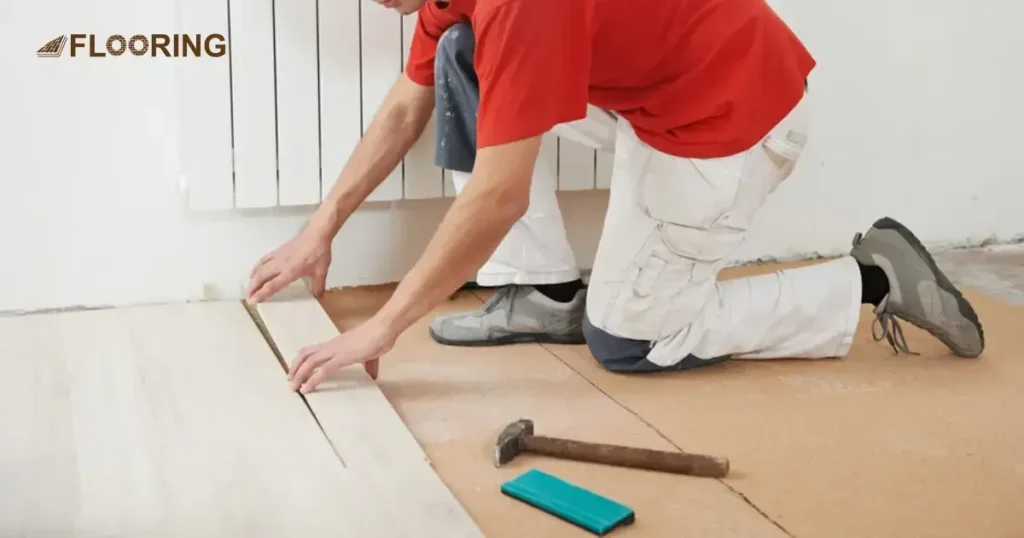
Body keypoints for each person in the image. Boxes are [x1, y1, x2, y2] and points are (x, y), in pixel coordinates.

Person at [246, 0, 985, 393]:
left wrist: (383, 327)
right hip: (657, 96)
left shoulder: (523, 4)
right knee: (460, 56)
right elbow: (407, 106)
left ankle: (871, 278)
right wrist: (321, 229)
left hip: (729, 120)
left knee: (627, 344)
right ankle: (540, 290)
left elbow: (498, 195)